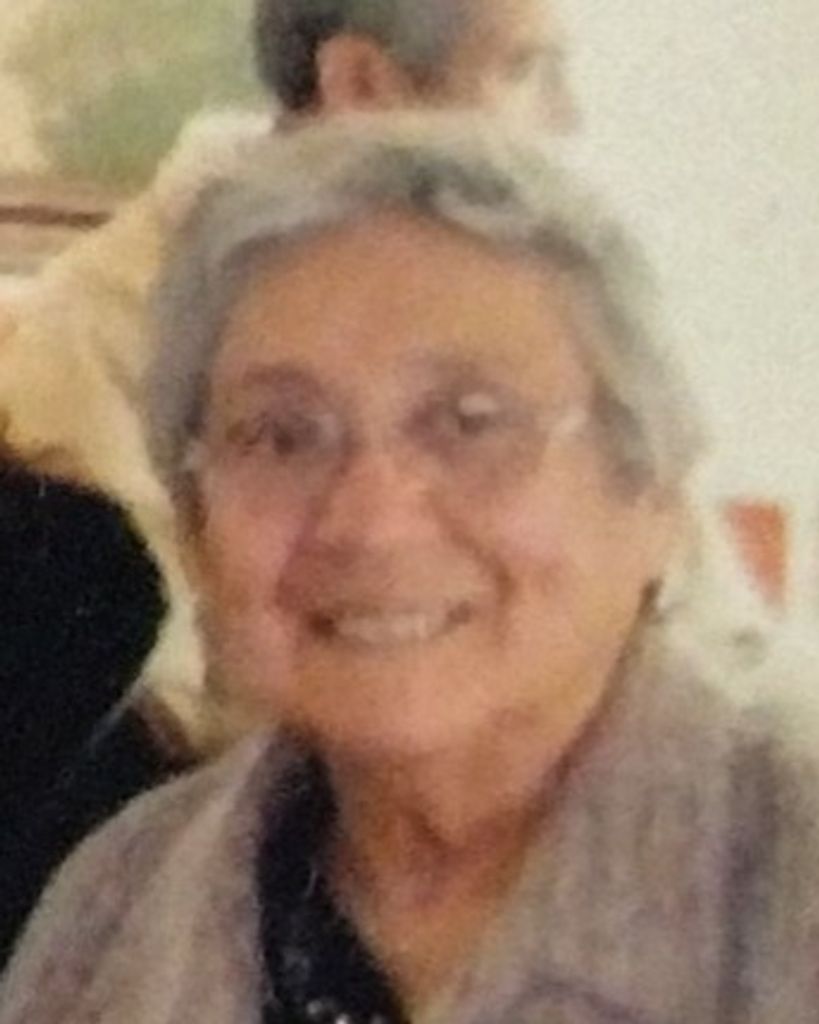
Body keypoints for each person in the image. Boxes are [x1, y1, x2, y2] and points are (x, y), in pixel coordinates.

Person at [3, 115, 817, 1024]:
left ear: (652, 492)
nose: (370, 521)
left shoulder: (786, 875)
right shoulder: (117, 912)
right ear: (195, 525)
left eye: (469, 422)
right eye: (282, 436)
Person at [0, 0, 575, 964]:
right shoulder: (100, 345)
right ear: (362, 84)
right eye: (522, 71)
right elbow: (150, 765)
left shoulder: (555, 325)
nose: (565, 124)